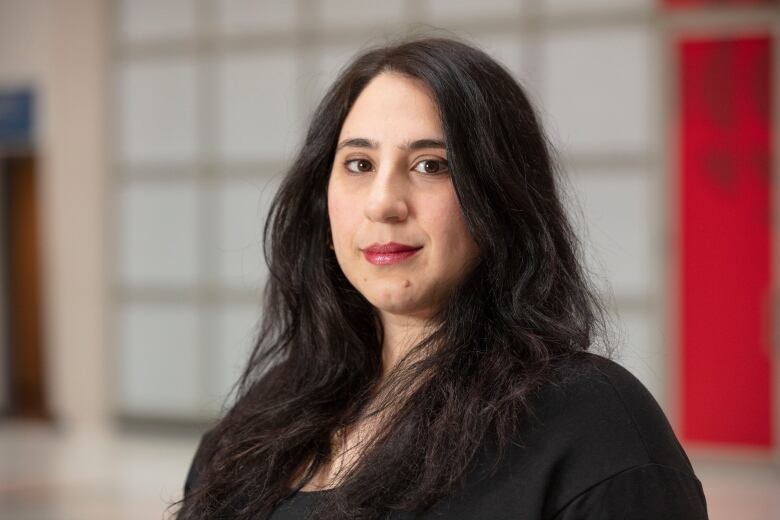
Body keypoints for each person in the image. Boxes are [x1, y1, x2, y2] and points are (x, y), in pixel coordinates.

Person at [172, 36, 708, 519]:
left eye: (432, 165)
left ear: (498, 197)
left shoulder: (593, 423)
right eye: (358, 164)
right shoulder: (269, 413)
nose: (383, 203)